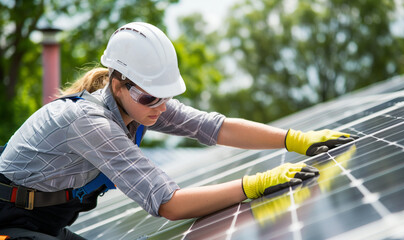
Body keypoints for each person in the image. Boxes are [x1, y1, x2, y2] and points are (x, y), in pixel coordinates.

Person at [0, 22, 357, 239]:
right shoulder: (90, 122)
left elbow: (213, 127)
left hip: (41, 224)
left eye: (166, 97)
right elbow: (168, 203)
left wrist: (293, 138)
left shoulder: (141, 105)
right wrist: (255, 185)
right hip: (10, 224)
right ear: (119, 83)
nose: (160, 107)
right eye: (151, 97)